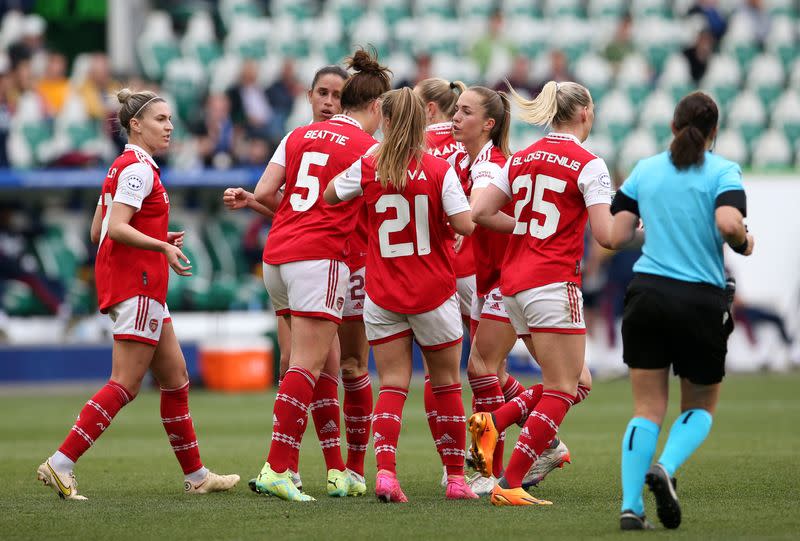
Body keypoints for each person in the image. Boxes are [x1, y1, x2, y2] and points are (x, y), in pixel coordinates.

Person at [36, 89, 240, 500]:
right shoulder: (138, 170)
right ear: (136, 125)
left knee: (177, 379)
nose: (169, 127)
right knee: (125, 384)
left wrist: (156, 235)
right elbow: (113, 230)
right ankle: (61, 463)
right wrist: (162, 246)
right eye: (161, 119)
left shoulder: (121, 167)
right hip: (139, 284)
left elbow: (99, 229)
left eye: (170, 120)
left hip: (139, 285)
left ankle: (197, 475)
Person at [247, 49, 389, 502]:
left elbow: (266, 192)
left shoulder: (297, 135)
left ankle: (310, 469)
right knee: (309, 366)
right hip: (321, 258)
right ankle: (278, 467)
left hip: (277, 257)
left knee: (306, 364)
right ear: (376, 107)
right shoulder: (369, 149)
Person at [468, 80, 619, 506]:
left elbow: (480, 211)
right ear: (585, 113)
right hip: (553, 282)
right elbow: (606, 236)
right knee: (562, 388)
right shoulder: (590, 163)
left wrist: (527, 232)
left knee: (575, 381)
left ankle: (495, 421)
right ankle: (510, 482)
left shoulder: (520, 158)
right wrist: (641, 232)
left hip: (513, 284)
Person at [324, 87, 477, 502]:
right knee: (446, 384)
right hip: (433, 291)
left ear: (385, 120)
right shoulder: (438, 168)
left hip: (383, 292)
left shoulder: (369, 164)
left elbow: (331, 194)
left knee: (392, 383)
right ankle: (457, 479)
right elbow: (465, 225)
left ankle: (387, 475)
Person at [610, 91, 753, 530]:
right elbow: (729, 223)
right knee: (701, 405)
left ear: (673, 126)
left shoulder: (644, 170)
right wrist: (744, 241)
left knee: (646, 408)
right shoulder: (723, 171)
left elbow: (615, 236)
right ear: (713, 132)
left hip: (647, 295)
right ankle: (666, 468)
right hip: (698, 300)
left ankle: (631, 508)